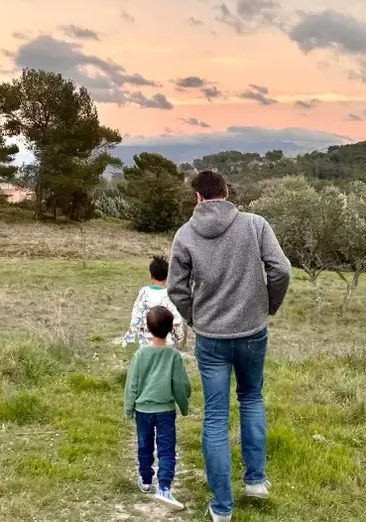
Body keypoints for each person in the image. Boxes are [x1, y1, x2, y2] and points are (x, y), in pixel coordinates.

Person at [167, 169, 291, 522]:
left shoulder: (185, 234)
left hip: (211, 339)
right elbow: (281, 270)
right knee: (251, 399)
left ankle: (222, 508)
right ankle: (255, 482)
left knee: (216, 416)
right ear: (226, 192)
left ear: (198, 197)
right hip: (252, 332)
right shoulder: (255, 224)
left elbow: (176, 288)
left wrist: (195, 318)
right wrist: (268, 306)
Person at [123, 305, 192, 512]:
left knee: (144, 446)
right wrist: (184, 405)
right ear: (171, 329)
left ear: (147, 328)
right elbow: (181, 385)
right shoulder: (174, 356)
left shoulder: (140, 355)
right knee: (167, 449)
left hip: (143, 412)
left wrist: (129, 408)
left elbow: (132, 385)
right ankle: (164, 487)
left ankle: (145, 480)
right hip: (165, 412)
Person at [122, 255, 185, 349]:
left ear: (151, 276)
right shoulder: (169, 295)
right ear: (167, 277)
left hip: (146, 340)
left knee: (148, 357)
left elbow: (136, 314)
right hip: (166, 341)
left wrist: (131, 332)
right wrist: (179, 334)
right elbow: (176, 317)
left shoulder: (144, 292)